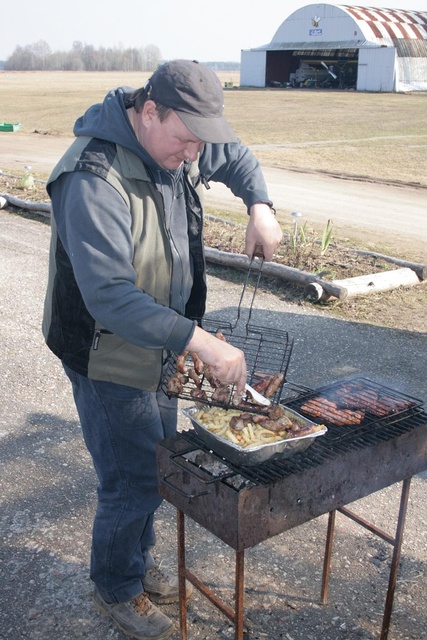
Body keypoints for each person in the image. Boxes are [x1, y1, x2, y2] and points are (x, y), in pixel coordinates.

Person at [42, 59, 283, 640]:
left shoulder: (178, 138)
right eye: (185, 140)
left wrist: (260, 205)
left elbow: (236, 155)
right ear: (149, 112)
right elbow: (111, 298)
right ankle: (116, 587)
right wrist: (200, 341)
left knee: (158, 464)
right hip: (105, 355)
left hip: (163, 348)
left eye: (201, 142)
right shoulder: (91, 177)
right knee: (133, 479)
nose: (194, 154)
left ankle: (134, 559)